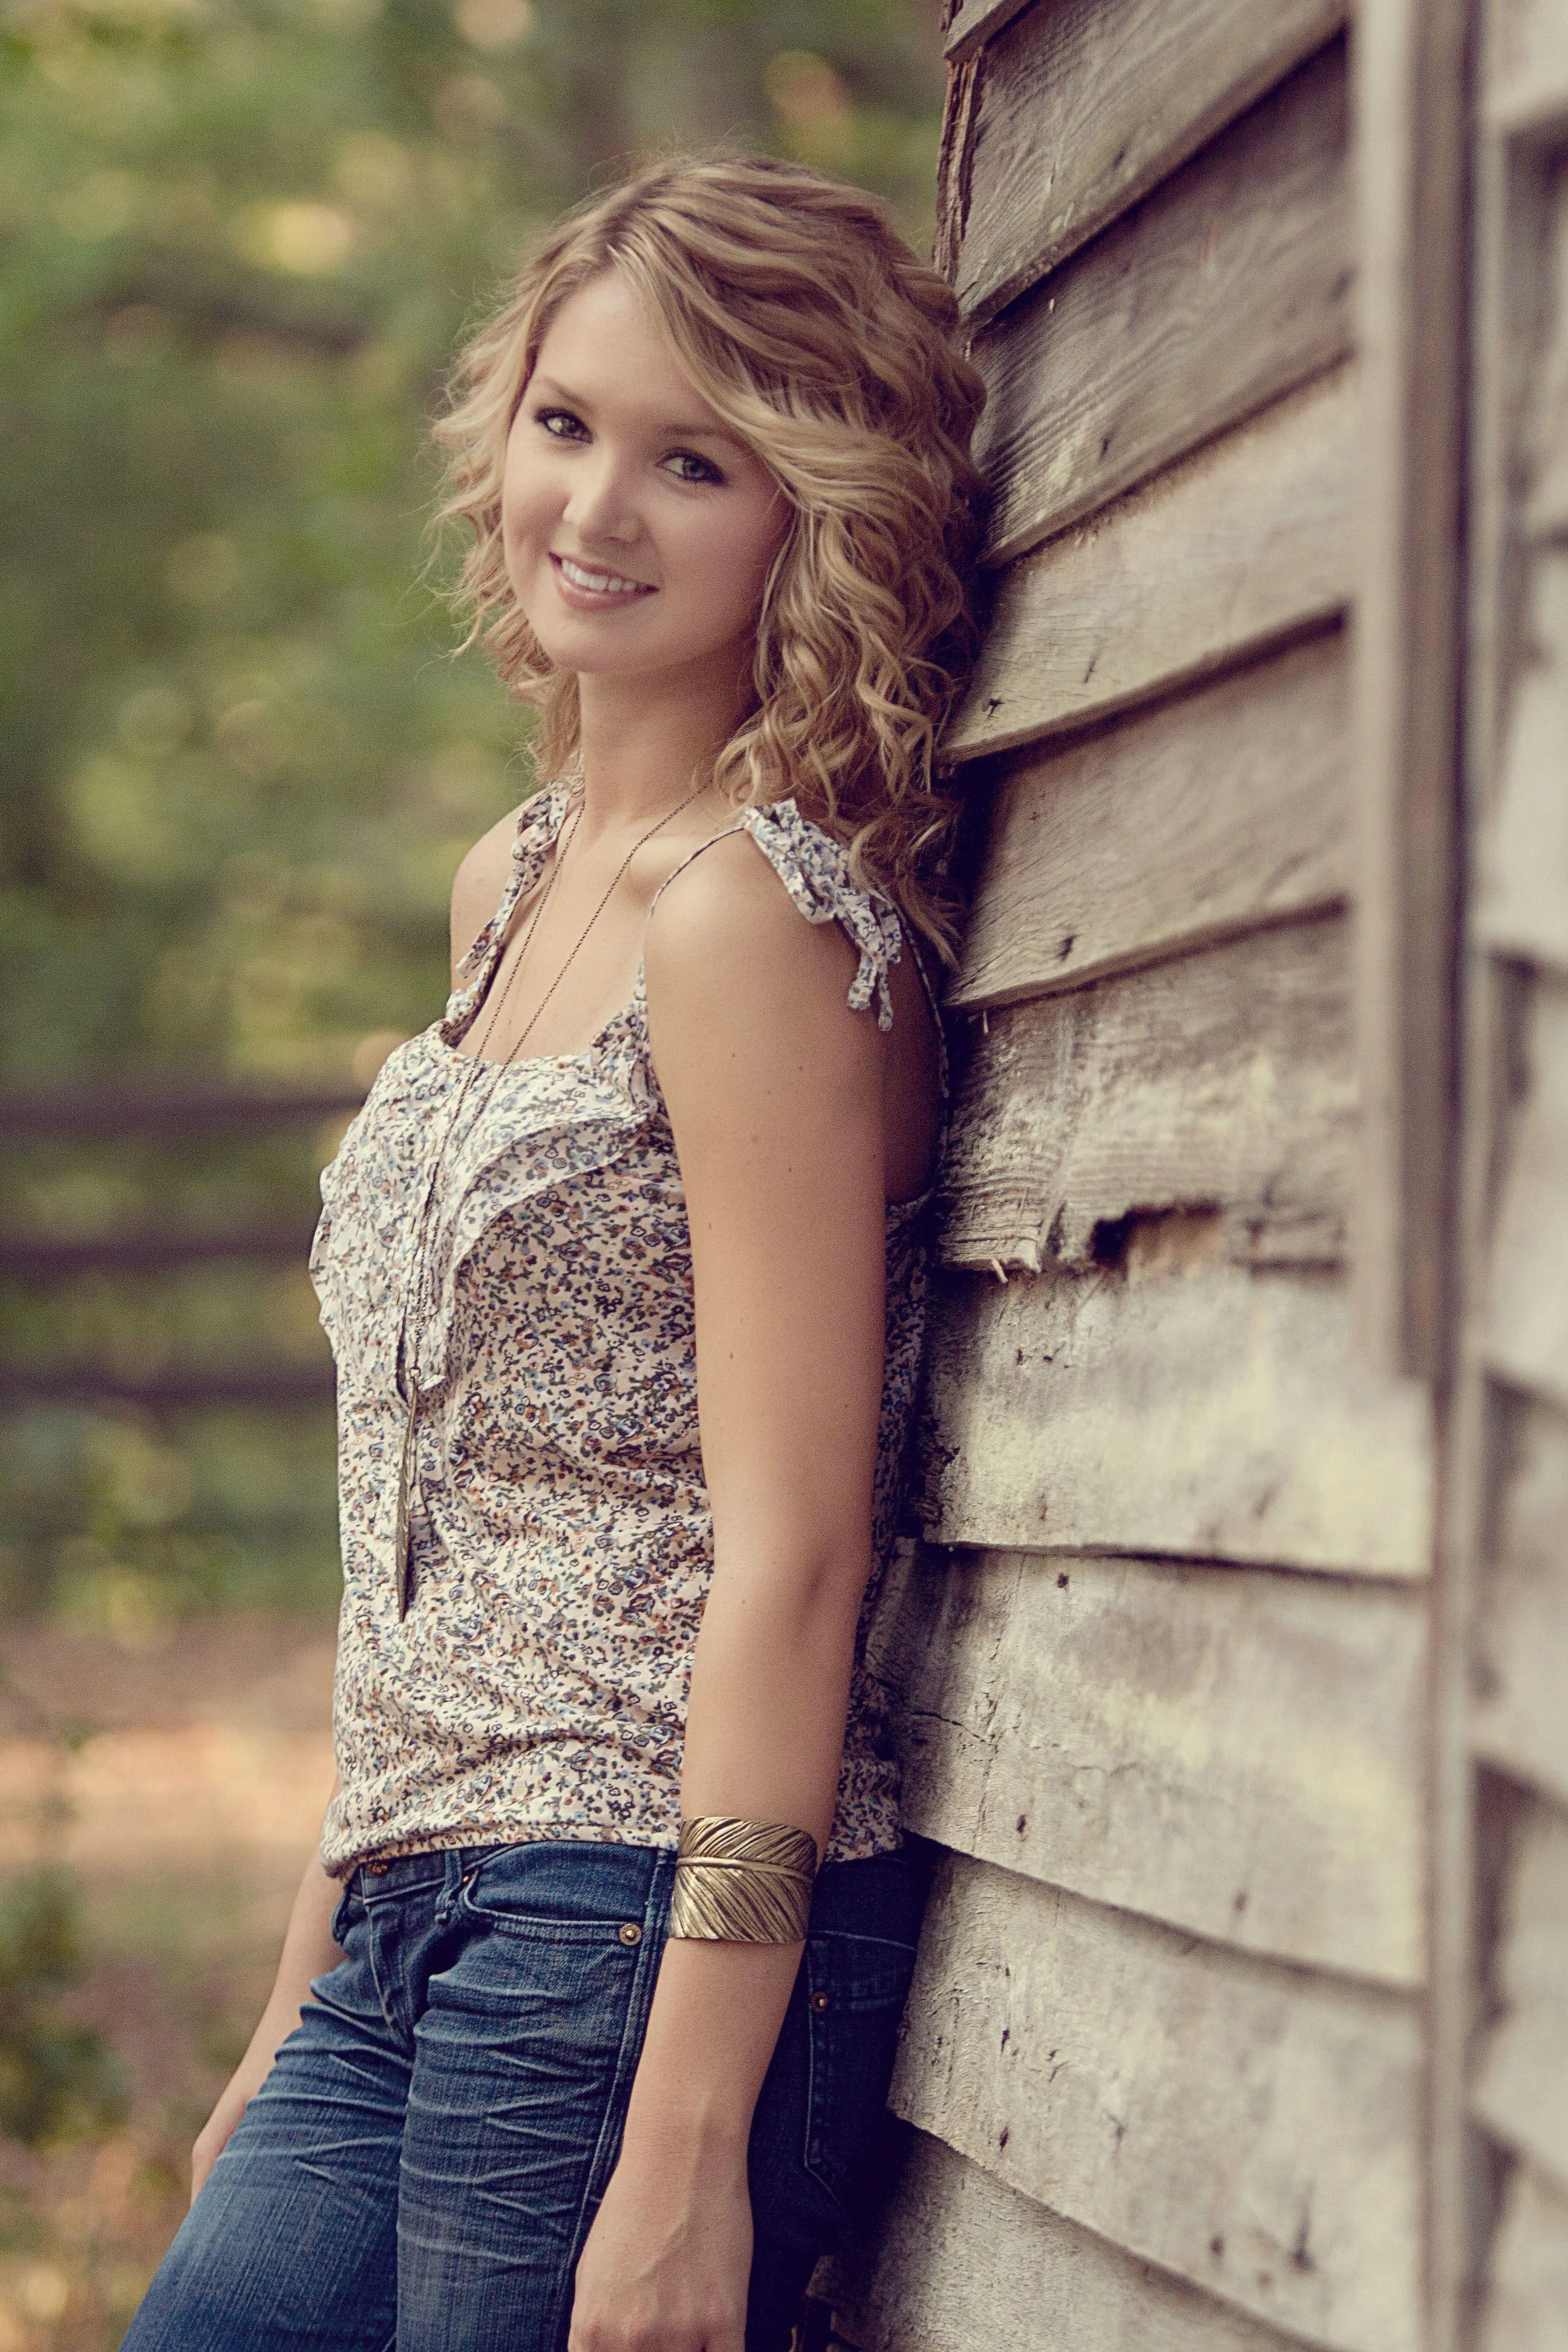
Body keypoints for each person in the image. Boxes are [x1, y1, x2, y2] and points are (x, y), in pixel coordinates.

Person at [122, 152, 983, 2352]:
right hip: (415, 1904)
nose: (594, 507)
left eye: (692, 460)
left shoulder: (755, 924)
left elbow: (797, 1558)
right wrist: (295, 1998)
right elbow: (431, 1526)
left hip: (633, 1921)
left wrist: (691, 2147)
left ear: (807, 511)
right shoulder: (509, 879)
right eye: (567, 424)